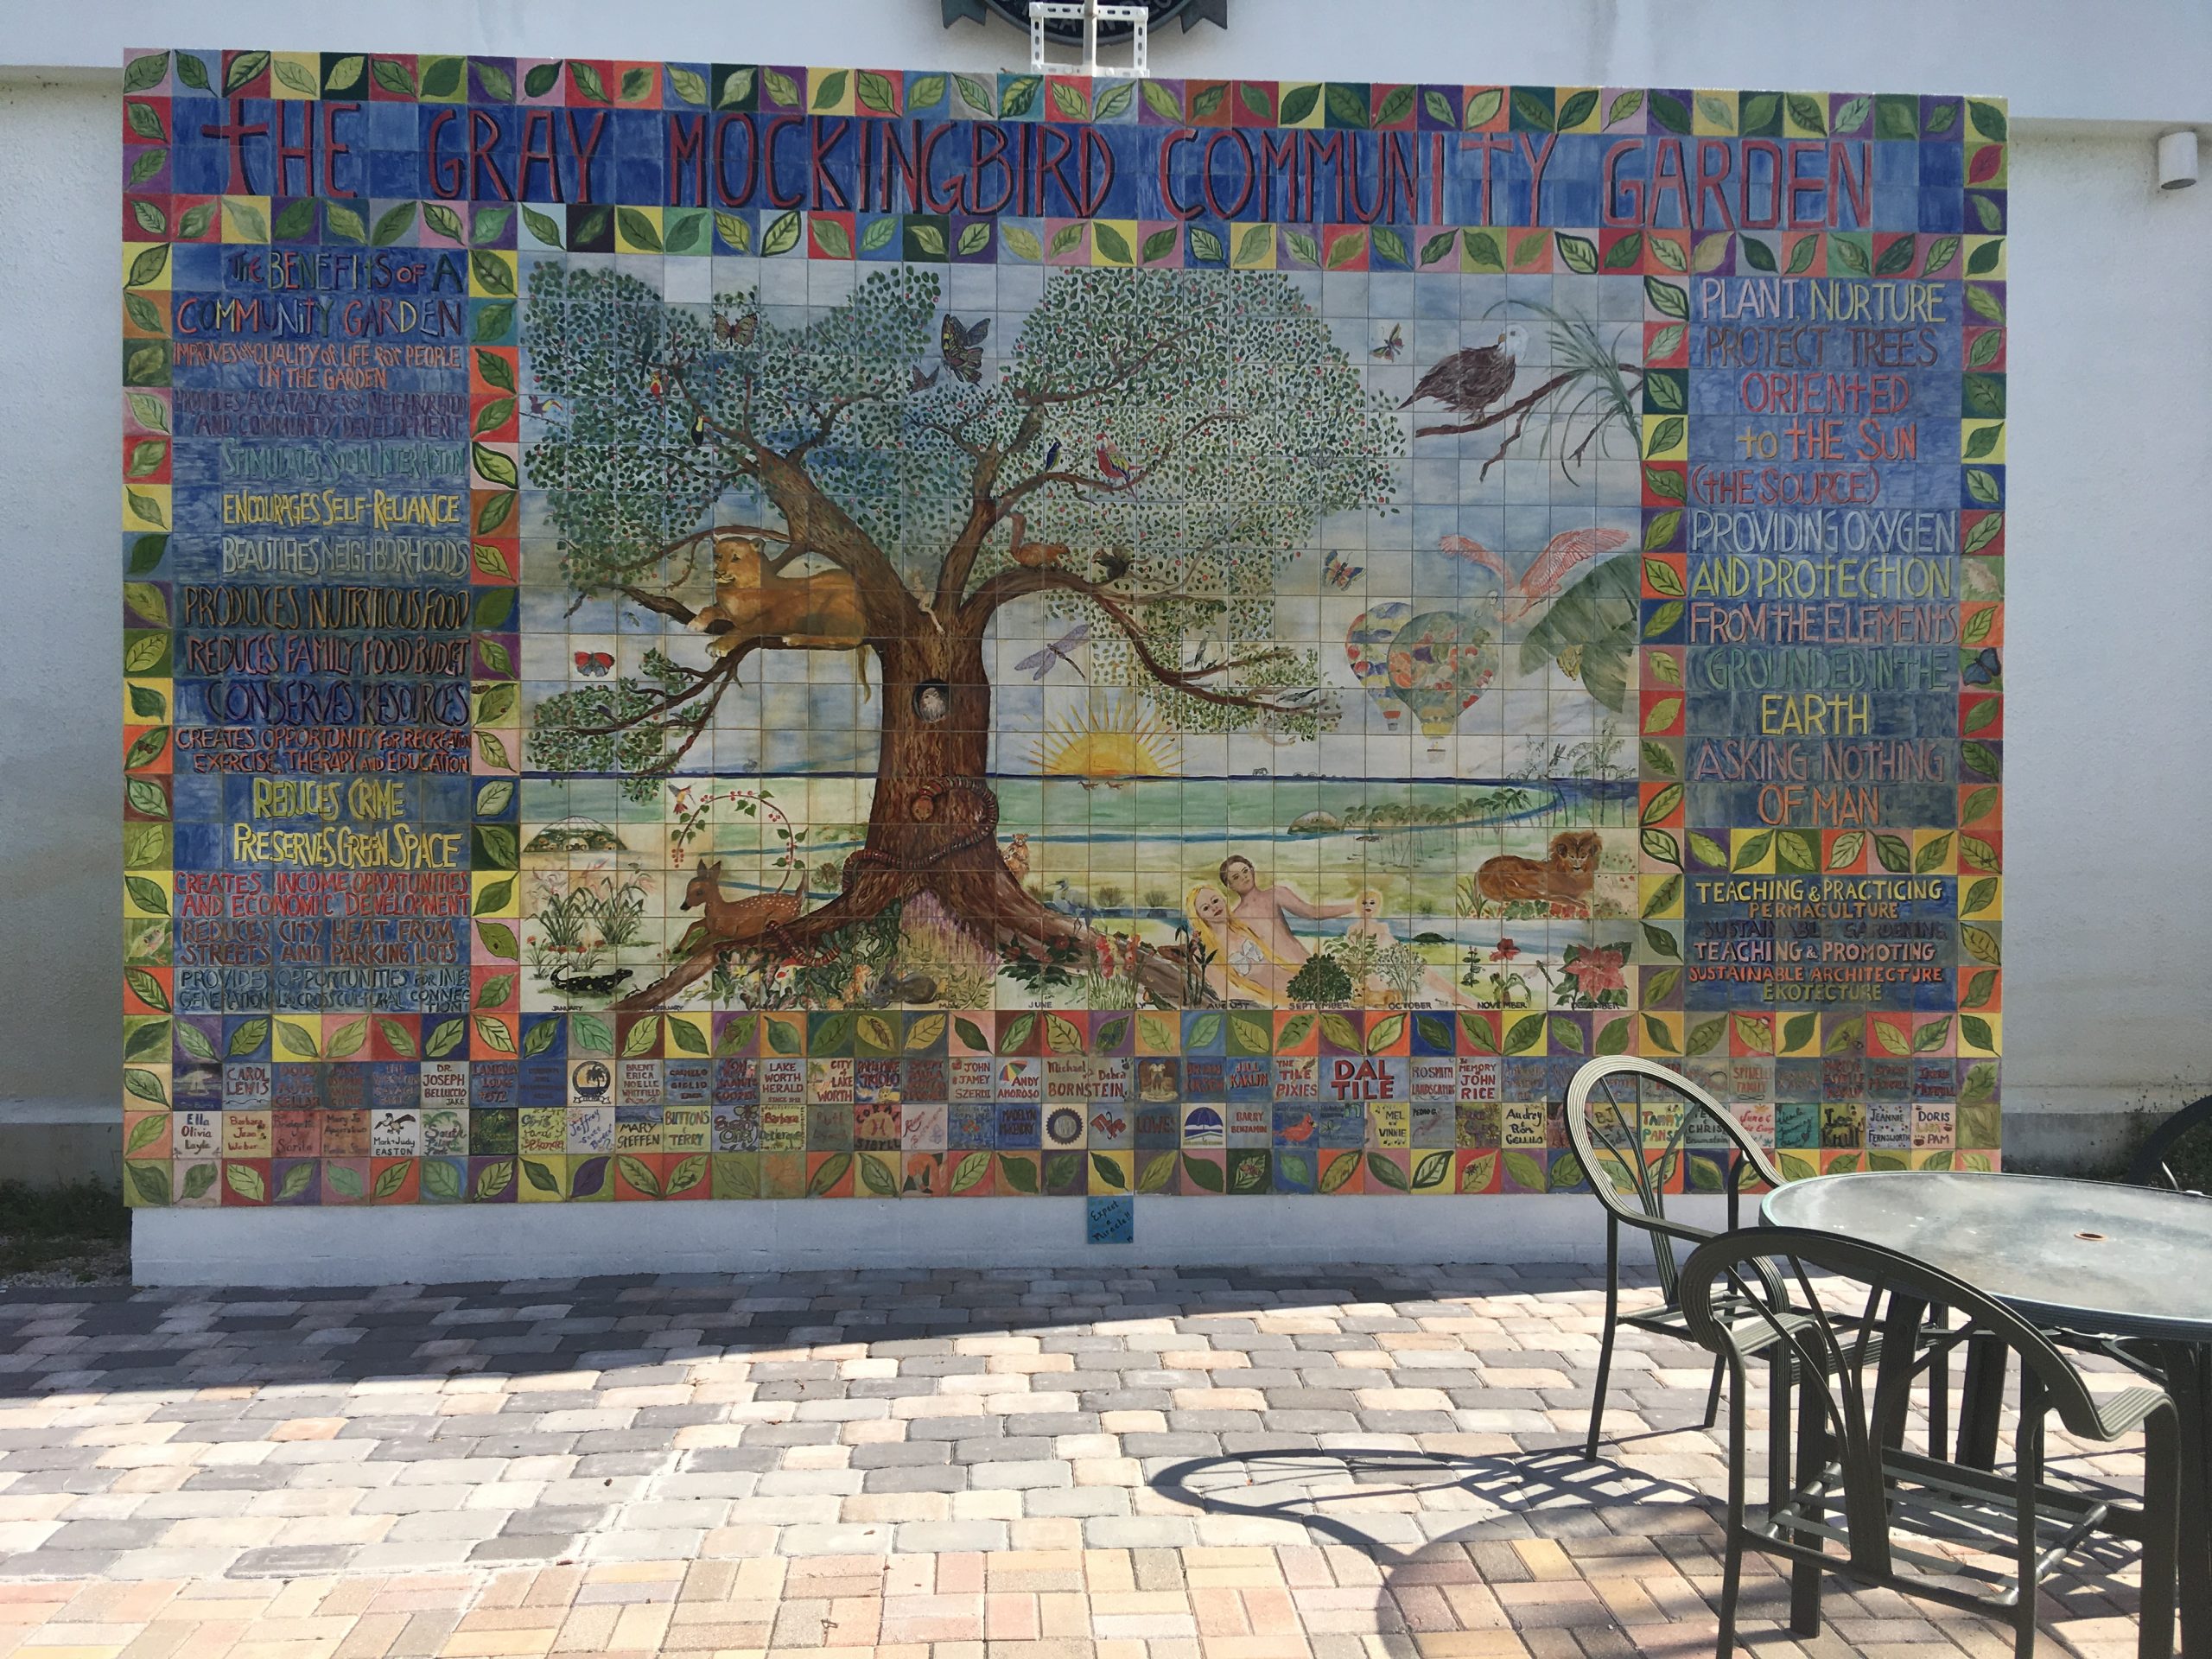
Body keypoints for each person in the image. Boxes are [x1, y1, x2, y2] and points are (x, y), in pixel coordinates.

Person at [1343, 887, 1483, 1010]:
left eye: (1372, 903)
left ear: (1377, 906)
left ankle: (1460, 998)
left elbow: (1392, 947)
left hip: (1391, 961)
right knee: (1418, 978)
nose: (1368, 905)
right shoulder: (1353, 929)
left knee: (1426, 972)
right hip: (1376, 971)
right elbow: (1352, 956)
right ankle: (1458, 998)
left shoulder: (1382, 927)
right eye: (1364, 902)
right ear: (1359, 905)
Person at [1218, 855, 1357, 966]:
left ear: (1252, 870)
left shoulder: (1276, 894)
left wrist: (1353, 907)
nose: (1244, 877)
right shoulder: (1235, 918)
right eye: (1236, 877)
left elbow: (1312, 912)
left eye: (1245, 871)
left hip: (1302, 962)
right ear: (1230, 886)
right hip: (1274, 976)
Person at [1184, 883, 1300, 1004]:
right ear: (1199, 917)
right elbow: (1224, 992)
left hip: (1291, 979)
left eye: (1215, 900)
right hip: (1269, 998)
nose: (1214, 907)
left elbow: (1276, 958)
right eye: (1206, 908)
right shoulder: (1204, 951)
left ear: (1224, 900)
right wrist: (1267, 1003)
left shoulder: (1243, 928)